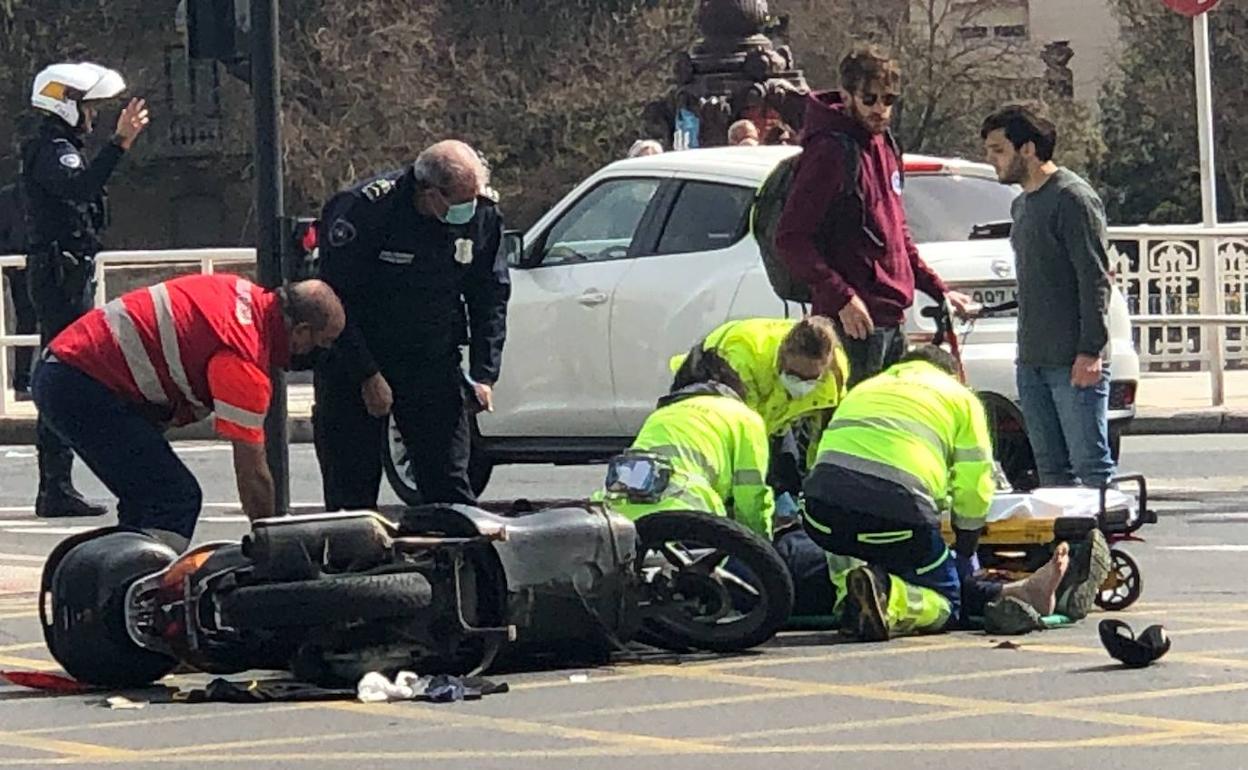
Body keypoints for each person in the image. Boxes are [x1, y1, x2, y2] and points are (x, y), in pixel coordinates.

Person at [31, 275, 344, 551]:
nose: (322, 352)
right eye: (323, 342)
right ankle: (141, 594)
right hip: (81, 384)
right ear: (301, 332)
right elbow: (252, 473)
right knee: (175, 499)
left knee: (145, 501)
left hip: (66, 371)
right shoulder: (243, 355)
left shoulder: (238, 292)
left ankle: (114, 589)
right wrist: (275, 546)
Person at [799, 346, 1070, 640]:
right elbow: (974, 487)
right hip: (897, 517)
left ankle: (849, 602)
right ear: (953, 375)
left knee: (851, 546)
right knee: (946, 599)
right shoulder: (962, 399)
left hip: (820, 516)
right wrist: (966, 547)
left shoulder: (866, 388)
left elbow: (819, 459)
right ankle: (892, 600)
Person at [313, 139, 510, 511]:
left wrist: (484, 373)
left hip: (430, 360)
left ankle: (458, 567)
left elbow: (490, 293)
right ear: (429, 192)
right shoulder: (365, 210)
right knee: (350, 496)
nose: (468, 209)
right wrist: (368, 374)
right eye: (458, 201)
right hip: (356, 359)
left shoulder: (481, 214)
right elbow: (334, 303)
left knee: (449, 488)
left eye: (473, 197)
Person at [774, 45, 972, 387]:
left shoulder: (885, 145)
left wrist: (938, 289)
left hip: (891, 321)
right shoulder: (829, 151)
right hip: (850, 325)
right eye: (870, 99)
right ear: (848, 95)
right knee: (850, 430)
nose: (881, 109)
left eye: (889, 100)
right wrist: (843, 298)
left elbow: (896, 235)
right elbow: (791, 238)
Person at [22, 62, 150, 518]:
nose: (92, 118)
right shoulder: (53, 150)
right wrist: (119, 144)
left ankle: (58, 484)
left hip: (68, 271)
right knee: (64, 371)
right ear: (65, 102)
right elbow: (81, 187)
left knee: (70, 369)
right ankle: (54, 487)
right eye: (88, 107)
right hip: (59, 274)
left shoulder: (58, 146)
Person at [981, 103, 1116, 489]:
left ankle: (1100, 548)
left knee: (1091, 467)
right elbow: (1041, 280)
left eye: (998, 149)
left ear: (1028, 149)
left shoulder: (1072, 198)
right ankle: (1067, 551)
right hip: (1032, 361)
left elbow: (1094, 278)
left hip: (1073, 361)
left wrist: (1090, 351)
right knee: (1051, 473)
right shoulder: (1022, 205)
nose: (991, 160)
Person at [596, 360, 774, 540]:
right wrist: (762, 545)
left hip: (618, 518)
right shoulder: (745, 417)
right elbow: (750, 497)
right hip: (689, 515)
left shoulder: (662, 414)